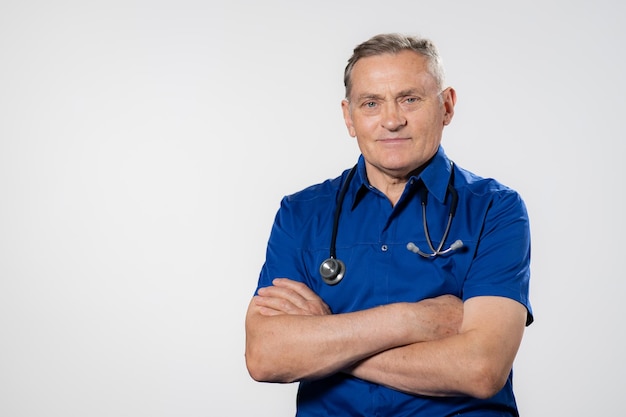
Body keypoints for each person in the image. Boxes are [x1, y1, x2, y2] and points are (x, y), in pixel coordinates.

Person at [245, 32, 533, 416]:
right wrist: (411, 321)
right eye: (371, 103)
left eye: (410, 99)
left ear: (446, 106)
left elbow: (481, 369)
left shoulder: (495, 209)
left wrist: (328, 339)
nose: (392, 120)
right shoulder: (300, 214)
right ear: (349, 117)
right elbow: (265, 356)